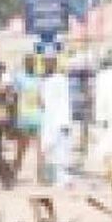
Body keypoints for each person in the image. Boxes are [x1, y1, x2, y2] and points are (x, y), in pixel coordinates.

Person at [40, 57, 74, 187]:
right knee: (56, 150)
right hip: (56, 120)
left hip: (57, 120)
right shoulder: (54, 80)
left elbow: (44, 102)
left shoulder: (55, 80)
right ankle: (60, 178)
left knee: (59, 151)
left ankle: (63, 179)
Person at [13, 57, 45, 182]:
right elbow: (15, 97)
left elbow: (40, 98)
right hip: (27, 116)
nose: (32, 64)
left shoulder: (37, 78)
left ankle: (40, 175)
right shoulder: (22, 77)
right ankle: (16, 172)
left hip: (34, 116)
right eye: (30, 62)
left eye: (33, 62)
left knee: (37, 147)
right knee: (23, 147)